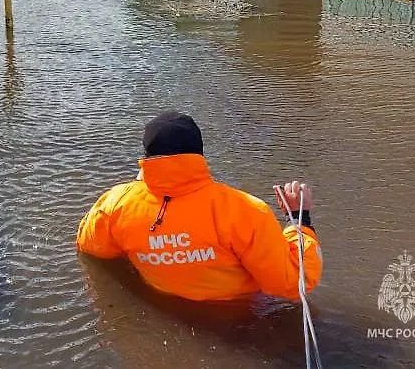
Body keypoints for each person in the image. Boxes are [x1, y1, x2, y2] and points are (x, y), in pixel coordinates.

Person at [76, 110, 322, 302]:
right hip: (240, 315)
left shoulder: (116, 204)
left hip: (166, 309)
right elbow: (294, 284)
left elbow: (90, 248)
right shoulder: (245, 210)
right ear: (200, 154)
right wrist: (299, 220)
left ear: (146, 158)